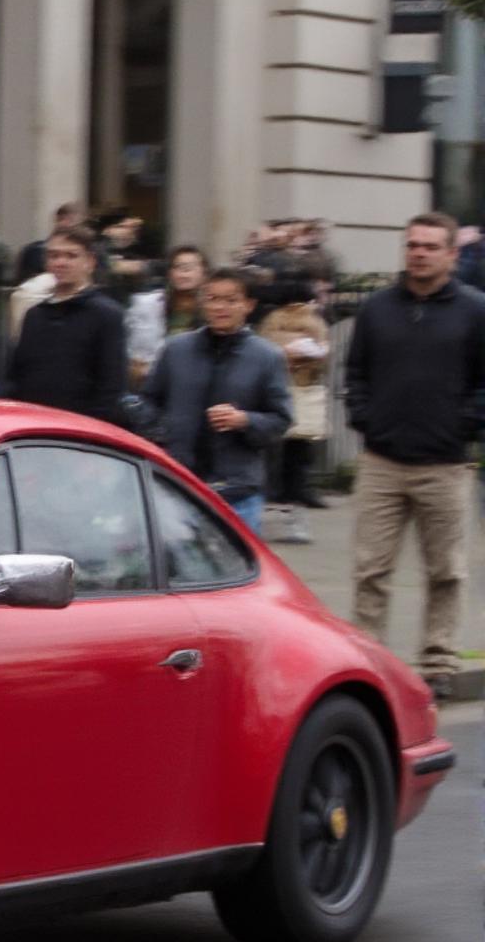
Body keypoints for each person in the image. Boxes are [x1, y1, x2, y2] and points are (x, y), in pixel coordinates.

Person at [345, 212, 485, 698]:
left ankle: (439, 663)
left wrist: (464, 425)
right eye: (412, 245)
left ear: (451, 254)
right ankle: (369, 656)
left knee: (446, 571)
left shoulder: (475, 311)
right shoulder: (377, 308)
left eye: (429, 246)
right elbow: (355, 372)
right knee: (371, 570)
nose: (418, 253)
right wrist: (364, 417)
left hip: (445, 466)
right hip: (382, 461)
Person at [138, 267, 293, 535]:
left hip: (237, 490)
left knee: (236, 572)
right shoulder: (176, 349)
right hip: (176, 481)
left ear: (248, 305)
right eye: (212, 299)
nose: (220, 307)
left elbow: (281, 419)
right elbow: (148, 403)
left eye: (231, 300)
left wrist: (245, 420)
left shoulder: (267, 357)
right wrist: (162, 434)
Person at [5, 224, 127, 423]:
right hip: (32, 428)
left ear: (90, 261)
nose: (61, 262)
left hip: (80, 433)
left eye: (71, 256)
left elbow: (111, 387)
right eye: (54, 256)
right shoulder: (34, 315)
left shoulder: (107, 314)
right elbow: (16, 377)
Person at [259, 283, 330, 541]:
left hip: (299, 389)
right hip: (294, 388)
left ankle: (290, 496)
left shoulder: (276, 320)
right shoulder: (303, 320)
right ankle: (291, 497)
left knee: (290, 452)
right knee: (292, 452)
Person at [126, 244, 208, 388]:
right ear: (170, 273)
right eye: (178, 267)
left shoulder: (212, 310)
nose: (184, 272)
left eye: (190, 267)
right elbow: (132, 352)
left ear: (204, 273)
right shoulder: (146, 304)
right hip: (147, 385)